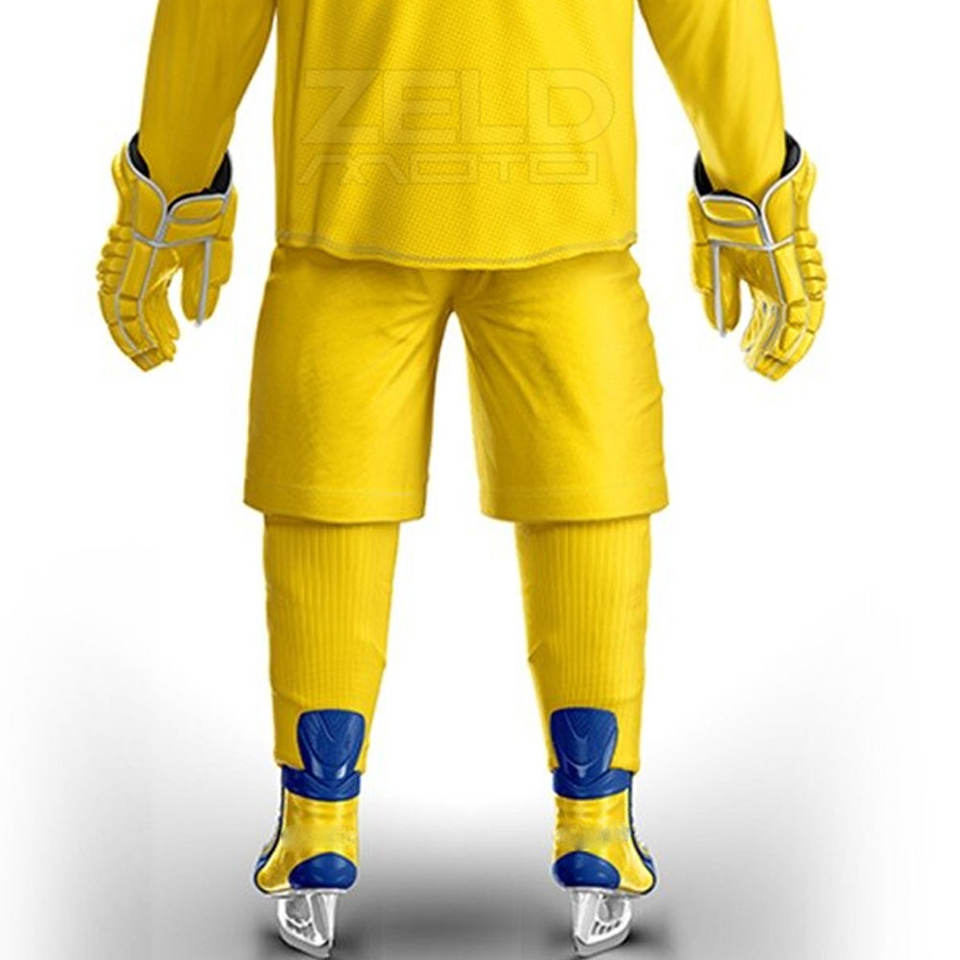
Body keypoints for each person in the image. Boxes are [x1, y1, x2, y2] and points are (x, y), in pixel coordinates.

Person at [96, 1, 826, 956]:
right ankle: (595, 825)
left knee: (336, 479)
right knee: (586, 478)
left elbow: (212, 17)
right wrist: (759, 196)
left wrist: (167, 194)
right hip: (556, 198)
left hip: (354, 199)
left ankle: (320, 825)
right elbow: (708, 16)